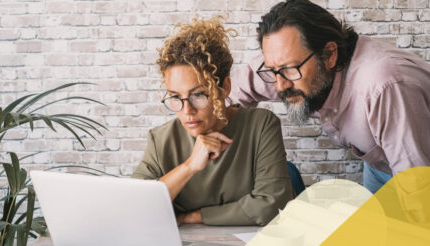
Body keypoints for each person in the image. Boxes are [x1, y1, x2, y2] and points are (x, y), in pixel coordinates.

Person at [229, 0, 430, 194]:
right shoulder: (284, 67)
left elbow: (418, 190)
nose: (280, 85)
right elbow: (226, 96)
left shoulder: (382, 86)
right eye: (272, 71)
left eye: (289, 69)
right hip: (380, 164)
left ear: (329, 55)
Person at [131, 17, 295, 226]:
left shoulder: (261, 125)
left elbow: (271, 206)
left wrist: (191, 217)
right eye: (175, 97)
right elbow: (135, 206)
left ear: (224, 87)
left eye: (198, 95)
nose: (187, 111)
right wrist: (189, 166)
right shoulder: (160, 139)